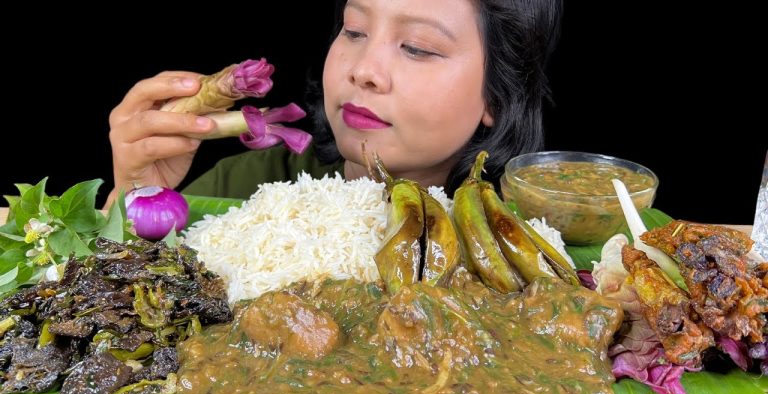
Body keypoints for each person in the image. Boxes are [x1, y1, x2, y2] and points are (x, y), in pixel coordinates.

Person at [106, 0, 562, 206]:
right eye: (354, 31)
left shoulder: (544, 228)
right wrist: (133, 196)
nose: (363, 70)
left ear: (497, 93)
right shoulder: (243, 186)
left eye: (417, 47)